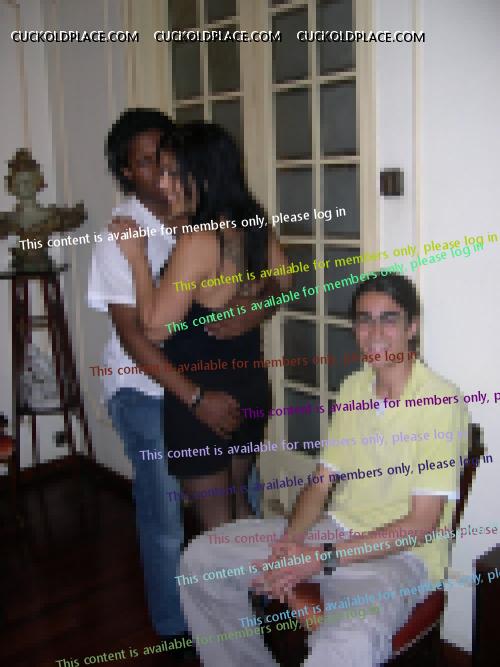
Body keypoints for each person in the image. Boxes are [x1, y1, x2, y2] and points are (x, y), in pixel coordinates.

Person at [176, 273, 470, 666]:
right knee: (201, 561)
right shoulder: (353, 389)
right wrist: (289, 545)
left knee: (348, 644)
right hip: (334, 532)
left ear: (412, 327)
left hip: (399, 559)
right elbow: (320, 484)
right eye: (364, 320)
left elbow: (420, 526)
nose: (375, 333)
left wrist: (318, 558)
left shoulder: (441, 402)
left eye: (389, 319)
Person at [87, 110, 243, 648]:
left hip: (201, 385)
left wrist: (246, 314)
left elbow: (262, 285)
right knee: (165, 515)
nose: (159, 171)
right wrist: (195, 398)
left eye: (165, 157)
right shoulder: (120, 235)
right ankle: (174, 627)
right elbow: (137, 336)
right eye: (145, 161)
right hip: (145, 389)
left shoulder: (199, 216)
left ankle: (239, 606)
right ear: (126, 172)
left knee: (234, 496)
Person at [111, 121, 291, 531]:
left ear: (202, 177)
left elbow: (154, 328)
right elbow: (285, 280)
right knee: (240, 509)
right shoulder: (251, 224)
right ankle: (265, 576)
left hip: (205, 401)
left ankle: (241, 578)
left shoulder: (198, 241)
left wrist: (137, 258)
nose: (164, 183)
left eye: (172, 173)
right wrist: (256, 304)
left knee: (218, 533)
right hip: (248, 389)